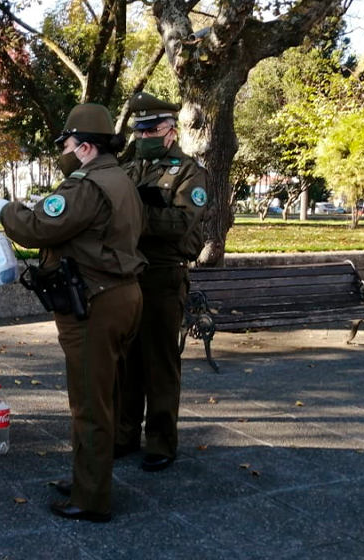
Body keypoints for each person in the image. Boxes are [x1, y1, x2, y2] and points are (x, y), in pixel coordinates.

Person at [0, 104, 146, 522]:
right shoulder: (121, 179)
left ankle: (91, 498)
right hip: (124, 295)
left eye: (69, 145)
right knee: (104, 395)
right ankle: (86, 477)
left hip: (96, 303)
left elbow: (36, 227)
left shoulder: (88, 185)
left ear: (86, 147)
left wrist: (5, 210)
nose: (66, 152)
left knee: (90, 404)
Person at [116, 92, 208, 472]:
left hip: (163, 274)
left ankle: (161, 440)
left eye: (152, 129)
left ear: (171, 131)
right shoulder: (130, 168)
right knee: (127, 359)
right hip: (127, 273)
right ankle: (124, 433)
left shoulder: (189, 172)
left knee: (160, 361)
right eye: (140, 130)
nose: (144, 136)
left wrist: (135, 214)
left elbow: (181, 222)